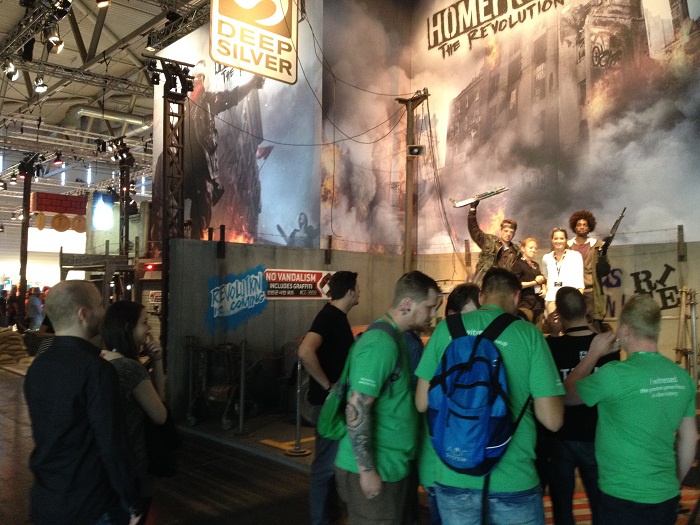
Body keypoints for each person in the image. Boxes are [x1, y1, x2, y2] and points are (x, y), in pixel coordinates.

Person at [415, 267, 564, 525]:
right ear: (516, 297)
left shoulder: (446, 329)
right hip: (513, 478)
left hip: (454, 473)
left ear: (482, 296)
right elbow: (552, 420)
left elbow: (421, 403)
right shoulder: (529, 335)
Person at [564, 294, 697, 525]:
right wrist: (675, 482)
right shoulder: (682, 378)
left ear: (625, 331)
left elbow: (566, 395)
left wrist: (593, 353)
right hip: (665, 497)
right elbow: (689, 438)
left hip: (621, 497)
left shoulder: (614, 375)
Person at [24, 280, 141, 525]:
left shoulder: (38, 366)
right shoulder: (96, 369)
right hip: (91, 503)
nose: (103, 311)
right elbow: (112, 443)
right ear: (83, 314)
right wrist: (131, 498)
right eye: (100, 304)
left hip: (46, 496)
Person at [335, 271, 441, 524]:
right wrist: (367, 471)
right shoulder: (380, 343)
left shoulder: (397, 338)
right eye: (429, 307)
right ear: (407, 304)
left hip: (392, 467)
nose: (432, 314)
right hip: (375, 470)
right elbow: (357, 409)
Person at [544, 287, 619, 525]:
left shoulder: (550, 347)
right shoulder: (609, 347)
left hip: (561, 436)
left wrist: (553, 335)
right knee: (601, 505)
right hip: (597, 435)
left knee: (562, 508)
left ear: (558, 313)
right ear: (587, 309)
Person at [298, 271, 360, 525]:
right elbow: (305, 351)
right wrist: (328, 386)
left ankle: (331, 514)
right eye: (357, 288)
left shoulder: (337, 318)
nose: (360, 292)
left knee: (331, 463)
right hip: (327, 406)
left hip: (332, 405)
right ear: (349, 292)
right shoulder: (329, 317)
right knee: (324, 466)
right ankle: (320, 519)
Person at [102, 301, 168, 524]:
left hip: (106, 465)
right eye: (144, 322)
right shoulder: (130, 368)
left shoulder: (100, 359)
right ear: (128, 328)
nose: (148, 328)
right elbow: (160, 414)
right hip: (134, 465)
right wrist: (158, 362)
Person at [568, 210, 611, 331]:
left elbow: (605, 271)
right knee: (573, 323)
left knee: (593, 325)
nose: (582, 227)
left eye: (584, 225)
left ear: (589, 227)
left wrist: (603, 255)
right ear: (574, 227)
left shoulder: (597, 246)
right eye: (579, 225)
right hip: (572, 291)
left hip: (591, 291)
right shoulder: (567, 246)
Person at [467, 200, 519, 285]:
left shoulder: (516, 252)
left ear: (514, 234)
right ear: (501, 231)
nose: (508, 234)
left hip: (504, 287)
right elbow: (475, 231)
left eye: (511, 232)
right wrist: (472, 209)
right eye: (506, 231)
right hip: (485, 285)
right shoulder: (489, 241)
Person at [541, 228, 584, 317]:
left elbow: (580, 280)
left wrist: (578, 299)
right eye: (556, 238)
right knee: (555, 322)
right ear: (552, 240)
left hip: (569, 299)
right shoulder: (546, 258)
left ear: (566, 240)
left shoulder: (575, 256)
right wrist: (544, 289)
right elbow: (545, 277)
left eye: (561, 238)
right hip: (551, 298)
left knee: (568, 323)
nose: (558, 241)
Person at [511, 237, 546, 324]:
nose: (533, 250)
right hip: (525, 304)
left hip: (538, 304)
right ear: (523, 248)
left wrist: (544, 289)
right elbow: (516, 285)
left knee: (538, 329)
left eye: (535, 248)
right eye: (531, 247)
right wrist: (535, 282)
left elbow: (541, 279)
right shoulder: (517, 264)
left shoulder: (536, 265)